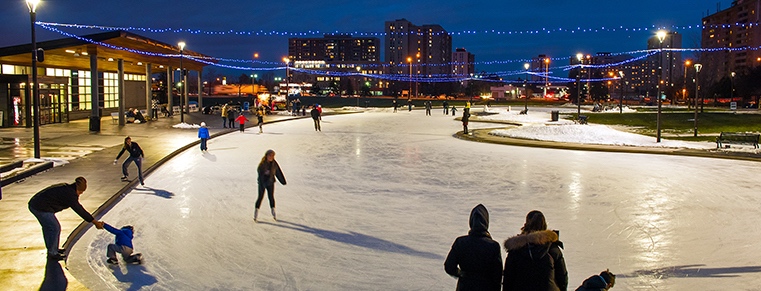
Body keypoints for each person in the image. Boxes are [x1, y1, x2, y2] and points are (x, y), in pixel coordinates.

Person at [28, 177, 104, 261]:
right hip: (39, 207)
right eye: (81, 192)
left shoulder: (68, 189)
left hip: (38, 204)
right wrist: (94, 222)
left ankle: (53, 249)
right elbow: (79, 210)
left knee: (49, 228)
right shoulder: (70, 195)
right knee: (54, 228)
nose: (80, 194)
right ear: (78, 189)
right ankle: (52, 252)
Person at [502, 210, 568, 291]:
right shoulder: (553, 249)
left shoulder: (515, 250)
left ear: (526, 224)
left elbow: (508, 280)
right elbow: (562, 279)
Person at [444, 204, 502, 291]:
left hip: (465, 287)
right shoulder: (493, 246)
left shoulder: (461, 242)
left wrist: (461, 274)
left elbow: (449, 266)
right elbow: (497, 275)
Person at [254, 149, 287, 222]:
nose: (271, 157)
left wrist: (283, 181)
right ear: (266, 156)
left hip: (270, 182)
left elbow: (278, 172)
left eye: (273, 156)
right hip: (262, 183)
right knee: (260, 197)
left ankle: (273, 212)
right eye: (270, 155)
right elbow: (260, 175)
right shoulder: (262, 164)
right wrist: (262, 183)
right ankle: (256, 212)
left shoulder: (274, 163)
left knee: (271, 197)